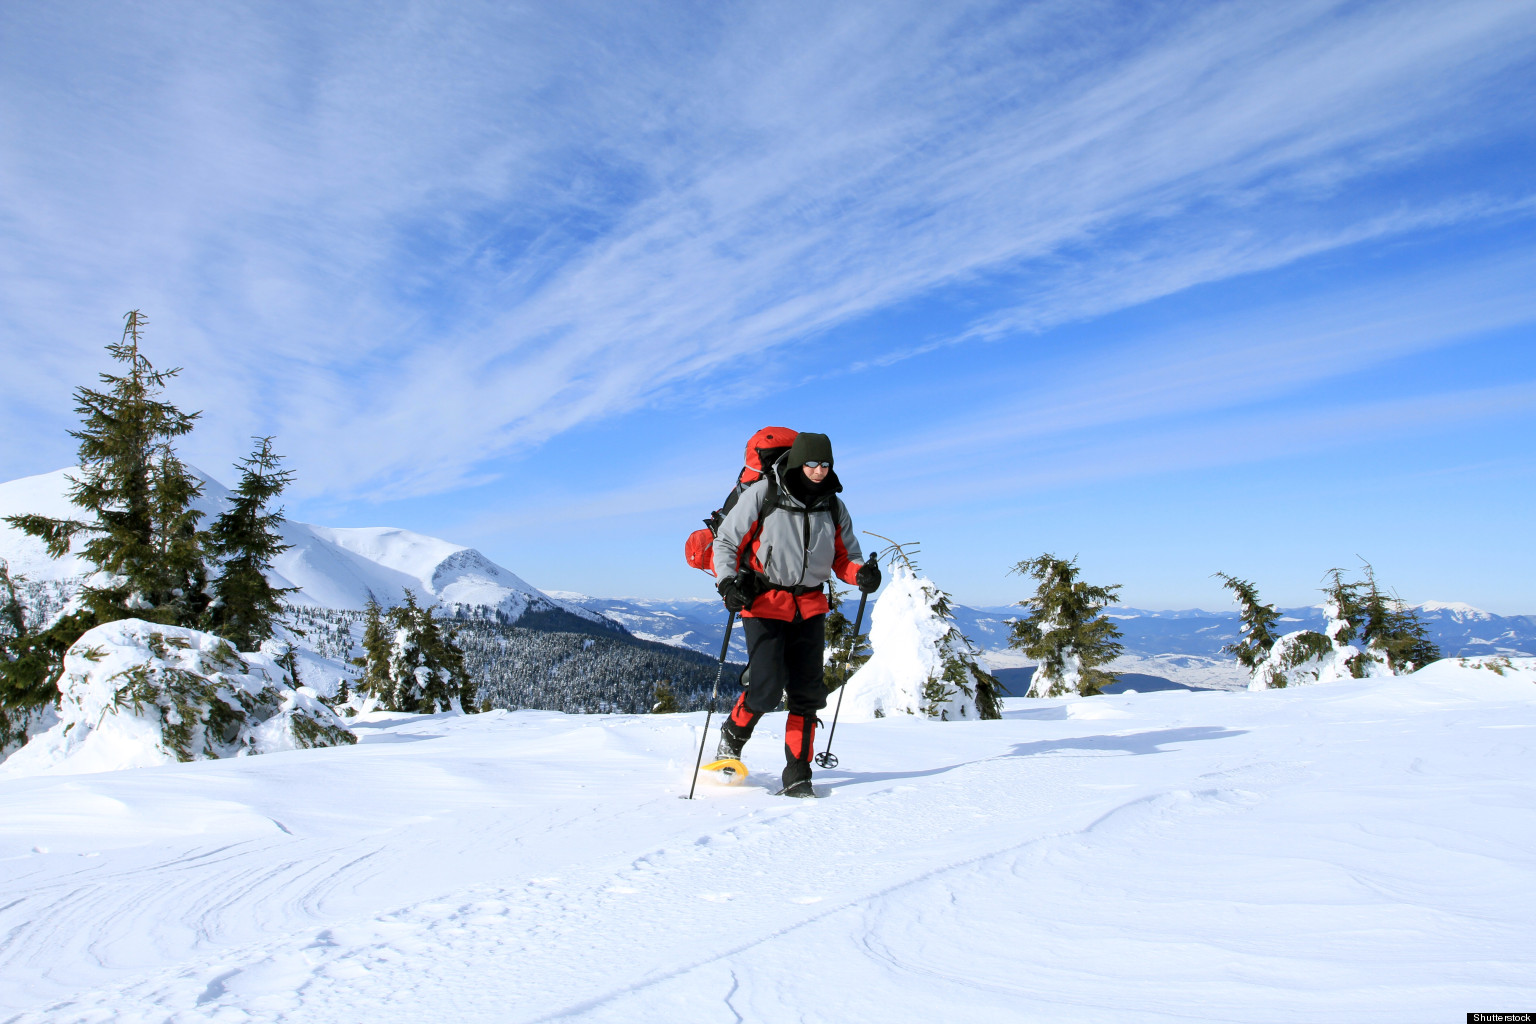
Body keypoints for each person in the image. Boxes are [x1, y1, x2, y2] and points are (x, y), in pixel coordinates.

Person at [712, 432, 881, 796]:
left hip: (810, 606)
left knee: (806, 694)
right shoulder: (765, 494)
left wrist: (860, 575)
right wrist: (728, 584)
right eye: (812, 464)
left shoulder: (833, 505)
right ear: (797, 462)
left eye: (825, 464)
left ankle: (798, 773)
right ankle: (733, 733)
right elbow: (726, 541)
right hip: (764, 604)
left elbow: (844, 557)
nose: (819, 471)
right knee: (766, 687)